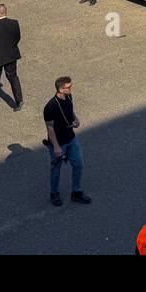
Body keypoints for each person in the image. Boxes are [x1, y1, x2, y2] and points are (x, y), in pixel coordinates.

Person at [45, 76, 90, 206]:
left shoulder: (69, 97)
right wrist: (56, 147)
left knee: (79, 164)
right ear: (60, 89)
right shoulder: (50, 107)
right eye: (68, 87)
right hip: (59, 143)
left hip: (71, 138)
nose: (71, 89)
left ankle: (76, 192)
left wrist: (75, 118)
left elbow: (70, 110)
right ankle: (54, 193)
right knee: (56, 168)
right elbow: (50, 128)